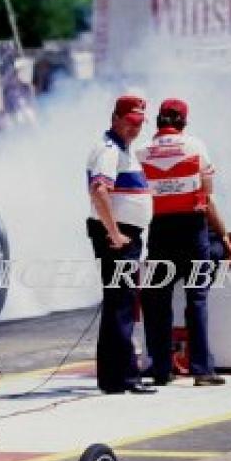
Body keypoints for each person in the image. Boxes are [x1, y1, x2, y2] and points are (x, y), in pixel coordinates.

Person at [139, 98, 231, 387]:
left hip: (159, 229)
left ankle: (161, 369)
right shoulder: (195, 146)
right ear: (183, 121)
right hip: (192, 228)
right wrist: (225, 237)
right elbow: (207, 194)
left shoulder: (142, 152)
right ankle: (201, 370)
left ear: (158, 120)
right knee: (197, 298)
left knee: (158, 300)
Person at [86, 95, 155, 395]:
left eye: (138, 123)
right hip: (118, 236)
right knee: (121, 304)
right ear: (115, 118)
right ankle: (121, 378)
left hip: (124, 234)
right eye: (129, 122)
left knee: (121, 303)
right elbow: (99, 190)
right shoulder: (108, 150)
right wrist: (113, 232)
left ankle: (117, 376)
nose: (134, 128)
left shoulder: (123, 150)